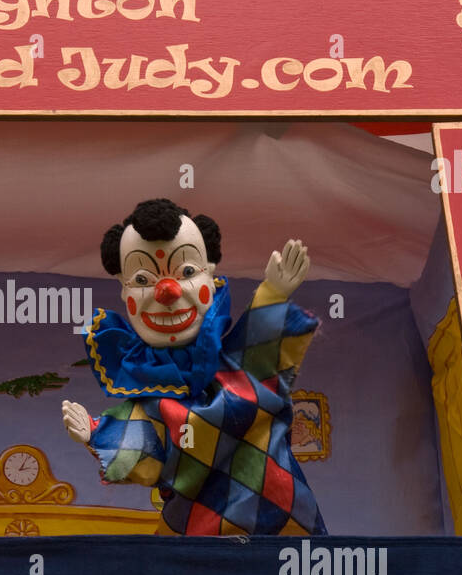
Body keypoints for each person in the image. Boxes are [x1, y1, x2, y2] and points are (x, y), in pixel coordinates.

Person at [61, 197, 326, 537]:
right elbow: (144, 447)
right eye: (143, 280)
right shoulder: (152, 402)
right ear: (123, 289)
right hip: (193, 536)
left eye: (186, 272)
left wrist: (274, 293)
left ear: (209, 274)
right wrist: (96, 433)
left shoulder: (240, 364)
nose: (167, 291)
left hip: (282, 521)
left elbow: (262, 352)